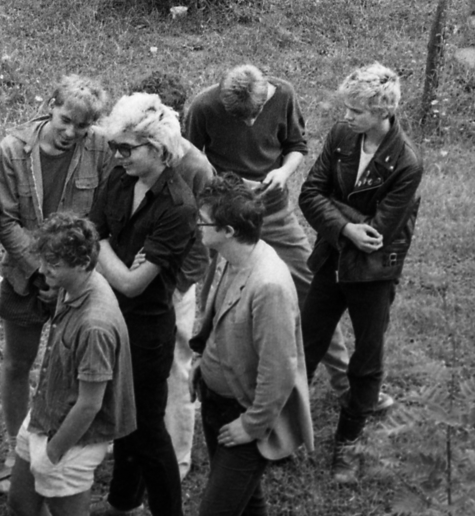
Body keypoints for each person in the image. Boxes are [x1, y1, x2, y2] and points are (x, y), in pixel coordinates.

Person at [190, 179, 312, 516]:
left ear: (227, 230)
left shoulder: (269, 284)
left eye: (203, 222)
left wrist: (252, 425)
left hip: (246, 414)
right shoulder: (230, 258)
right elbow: (217, 318)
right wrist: (203, 369)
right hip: (220, 401)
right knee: (247, 500)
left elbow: (279, 370)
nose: (197, 226)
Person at [185, 64, 356, 402]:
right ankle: (207, 373)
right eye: (239, 117)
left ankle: (343, 381)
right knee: (209, 297)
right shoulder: (204, 107)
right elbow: (191, 157)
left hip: (272, 210)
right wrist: (221, 189)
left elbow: (297, 146)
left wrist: (282, 172)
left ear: (266, 98)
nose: (249, 123)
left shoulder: (285, 94)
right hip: (222, 215)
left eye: (254, 115)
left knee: (312, 290)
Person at [2, 214, 135, 516]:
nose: (44, 272)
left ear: (81, 263)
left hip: (71, 439)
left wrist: (53, 454)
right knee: (23, 500)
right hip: (45, 415)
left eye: (53, 265)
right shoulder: (71, 290)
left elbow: (91, 403)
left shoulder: (95, 321)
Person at [298, 62, 422, 484]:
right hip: (334, 259)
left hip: (373, 272)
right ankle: (282, 429)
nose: (347, 117)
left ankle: (348, 444)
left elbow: (379, 233)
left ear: (383, 112)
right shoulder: (340, 137)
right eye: (347, 108)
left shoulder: (406, 162)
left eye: (357, 111)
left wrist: (338, 214)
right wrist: (347, 225)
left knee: (366, 361)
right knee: (306, 343)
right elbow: (309, 193)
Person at [89, 93, 194, 516]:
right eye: (116, 147)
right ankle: (124, 498)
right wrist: (108, 246)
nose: (119, 156)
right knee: (121, 412)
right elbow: (94, 232)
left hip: (148, 327)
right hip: (113, 316)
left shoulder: (177, 204)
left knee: (149, 430)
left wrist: (104, 245)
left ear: (158, 147)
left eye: (128, 148)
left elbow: (133, 281)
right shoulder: (120, 176)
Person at [0, 76, 113, 495]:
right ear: (51, 105)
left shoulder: (99, 147)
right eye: (64, 121)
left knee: (67, 369)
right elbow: (5, 220)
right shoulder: (12, 149)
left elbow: (101, 213)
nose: (71, 134)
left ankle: (63, 444)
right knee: (17, 363)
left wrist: (65, 278)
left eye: (81, 128)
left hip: (76, 280)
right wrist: (43, 271)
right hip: (26, 275)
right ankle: (15, 449)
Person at [136, 72, 215, 484]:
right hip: (134, 277)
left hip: (174, 286)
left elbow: (202, 241)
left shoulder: (195, 167)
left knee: (176, 365)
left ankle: (178, 455)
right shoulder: (130, 155)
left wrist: (176, 289)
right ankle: (132, 440)